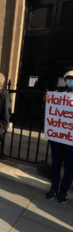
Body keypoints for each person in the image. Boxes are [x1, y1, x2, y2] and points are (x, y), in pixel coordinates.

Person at [44, 70, 73, 204]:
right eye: (68, 78)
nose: (70, 81)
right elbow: (51, 111)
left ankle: (63, 192)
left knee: (69, 167)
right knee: (55, 163)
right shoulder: (59, 95)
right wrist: (47, 101)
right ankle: (54, 188)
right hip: (57, 137)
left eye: (72, 78)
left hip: (71, 140)